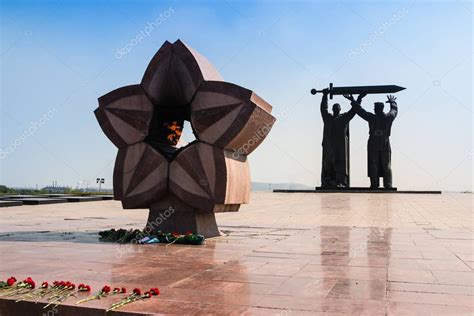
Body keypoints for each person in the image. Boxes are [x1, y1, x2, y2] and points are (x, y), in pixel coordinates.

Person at [346, 94, 398, 188]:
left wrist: (353, 100)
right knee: (386, 164)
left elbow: (360, 111)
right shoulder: (389, 117)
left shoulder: (372, 117)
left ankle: (374, 184)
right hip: (385, 142)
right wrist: (392, 102)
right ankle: (388, 184)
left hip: (373, 142)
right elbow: (394, 110)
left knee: (373, 163)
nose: (373, 109)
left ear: (378, 109)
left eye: (374, 108)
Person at [320, 89, 364, 188]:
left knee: (341, 163)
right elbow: (323, 109)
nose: (336, 108)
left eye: (337, 107)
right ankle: (328, 181)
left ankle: (341, 182)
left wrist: (359, 99)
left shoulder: (344, 117)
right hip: (329, 145)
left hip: (340, 146)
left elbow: (354, 110)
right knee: (328, 163)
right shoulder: (328, 118)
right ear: (332, 109)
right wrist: (325, 96)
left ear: (340, 109)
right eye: (334, 107)